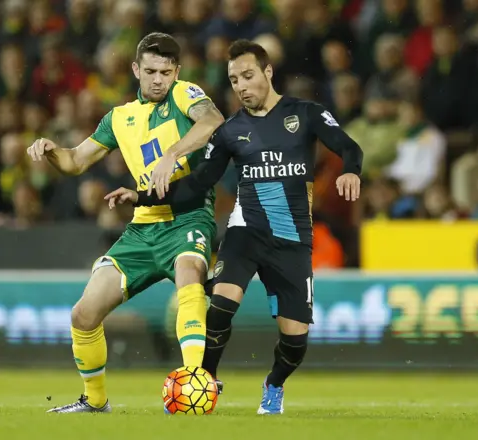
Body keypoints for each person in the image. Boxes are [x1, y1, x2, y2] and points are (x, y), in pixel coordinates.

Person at [105, 39, 363, 415]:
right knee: (221, 304)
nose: (241, 86)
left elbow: (349, 147)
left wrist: (351, 172)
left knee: (295, 341)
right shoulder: (230, 131)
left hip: (292, 239)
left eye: (247, 76)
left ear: (267, 72)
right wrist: (142, 196)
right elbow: (197, 183)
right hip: (245, 233)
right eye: (234, 80)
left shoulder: (305, 114)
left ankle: (274, 383)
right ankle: (203, 382)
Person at [27, 33, 225, 413]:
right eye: (150, 71)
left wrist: (173, 153)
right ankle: (95, 401)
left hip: (187, 218)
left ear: (177, 72)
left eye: (166, 72)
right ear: (135, 69)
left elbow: (213, 120)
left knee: (189, 273)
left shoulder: (185, 94)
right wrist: (52, 150)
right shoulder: (119, 118)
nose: (157, 80)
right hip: (142, 228)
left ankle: (194, 377)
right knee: (83, 314)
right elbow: (75, 161)